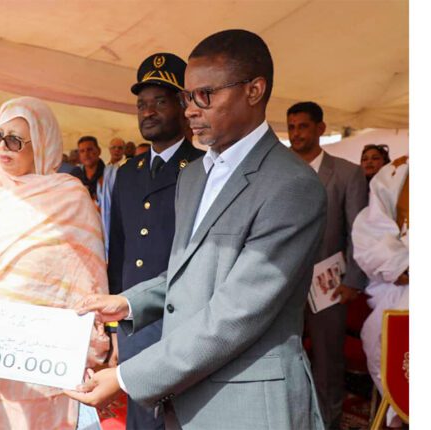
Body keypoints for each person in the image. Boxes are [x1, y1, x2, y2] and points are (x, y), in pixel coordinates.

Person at [67, 29, 327, 430]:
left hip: (246, 405)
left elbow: (237, 313)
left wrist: (125, 377)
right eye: (188, 97)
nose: (190, 110)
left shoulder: (290, 185)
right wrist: (130, 302)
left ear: (254, 90)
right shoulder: (195, 177)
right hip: (186, 399)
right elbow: (189, 272)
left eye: (205, 95)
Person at [0, 97, 110, 429]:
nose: (3, 147)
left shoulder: (70, 196)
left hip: (43, 355)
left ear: (42, 143)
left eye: (15, 140)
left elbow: (87, 279)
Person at [107, 51, 204, 430]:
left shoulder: (202, 167)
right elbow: (119, 249)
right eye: (141, 104)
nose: (147, 112)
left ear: (183, 105)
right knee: (139, 415)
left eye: (159, 102)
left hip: (183, 318)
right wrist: (115, 323)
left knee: (181, 414)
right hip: (134, 318)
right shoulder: (127, 173)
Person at [287, 100, 368, 428]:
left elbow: (358, 231)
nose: (296, 134)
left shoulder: (347, 173)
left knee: (328, 360)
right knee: (284, 357)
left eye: (303, 126)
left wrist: (353, 281)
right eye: (291, 127)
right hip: (283, 283)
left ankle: (328, 421)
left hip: (330, 285)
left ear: (320, 129)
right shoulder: (278, 170)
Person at [352, 156, 409, 429]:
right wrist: (402, 265)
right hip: (403, 285)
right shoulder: (398, 172)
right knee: (381, 339)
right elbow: (371, 229)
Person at [78, 136, 118, 250]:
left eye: (90, 149)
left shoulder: (111, 175)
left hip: (107, 230)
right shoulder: (76, 176)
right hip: (83, 232)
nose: (86, 154)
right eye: (82, 151)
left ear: (99, 151)